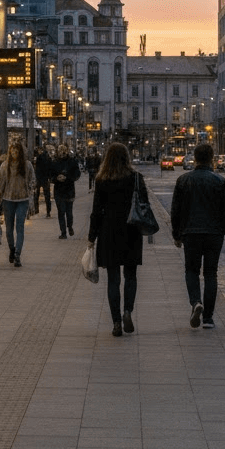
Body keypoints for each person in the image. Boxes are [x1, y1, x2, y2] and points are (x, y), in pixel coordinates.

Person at [170, 143, 225, 329]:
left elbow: (175, 211)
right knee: (210, 273)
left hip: (190, 233)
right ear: (212, 158)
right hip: (214, 234)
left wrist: (176, 234)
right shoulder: (219, 181)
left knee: (191, 270)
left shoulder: (183, 180)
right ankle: (208, 318)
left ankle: (195, 302)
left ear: (195, 158)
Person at [87, 142, 143, 336]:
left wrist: (91, 237)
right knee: (131, 276)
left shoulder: (102, 180)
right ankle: (128, 310)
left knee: (113, 279)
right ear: (126, 158)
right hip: (132, 230)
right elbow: (144, 205)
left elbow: (96, 212)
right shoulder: (136, 178)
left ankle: (117, 322)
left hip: (109, 231)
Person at [0, 142, 34, 267]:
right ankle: (12, 249)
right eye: (12, 151)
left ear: (21, 153)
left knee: (20, 227)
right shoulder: (4, 165)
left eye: (16, 151)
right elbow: (1, 182)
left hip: (23, 200)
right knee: (8, 228)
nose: (14, 154)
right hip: (8, 200)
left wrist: (30, 191)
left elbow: (32, 180)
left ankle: (17, 253)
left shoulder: (27, 165)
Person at [51, 143, 81, 238]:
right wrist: (56, 178)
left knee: (69, 211)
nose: (62, 153)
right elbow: (51, 175)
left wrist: (67, 178)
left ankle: (70, 226)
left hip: (69, 190)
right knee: (61, 211)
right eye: (60, 151)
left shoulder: (72, 162)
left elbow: (77, 174)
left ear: (66, 152)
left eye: (63, 151)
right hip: (59, 191)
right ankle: (63, 232)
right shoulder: (55, 162)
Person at [32, 145, 54, 217]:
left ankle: (36, 209)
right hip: (45, 179)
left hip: (39, 178)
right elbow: (51, 169)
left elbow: (36, 168)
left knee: (36, 195)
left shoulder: (39, 157)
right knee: (47, 195)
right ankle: (48, 211)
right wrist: (49, 178)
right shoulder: (48, 158)